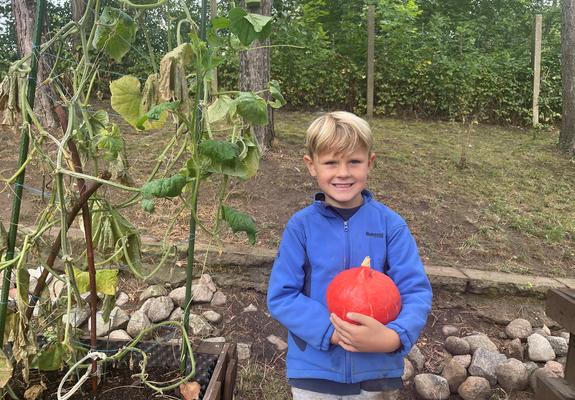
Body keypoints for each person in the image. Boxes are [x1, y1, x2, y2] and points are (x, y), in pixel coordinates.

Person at [266, 111, 433, 400]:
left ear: (370, 163)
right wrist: (332, 331)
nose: (343, 172)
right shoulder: (300, 227)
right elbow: (282, 296)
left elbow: (415, 291)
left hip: (377, 372)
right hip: (315, 372)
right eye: (331, 162)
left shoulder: (390, 226)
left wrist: (392, 337)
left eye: (354, 162)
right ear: (312, 166)